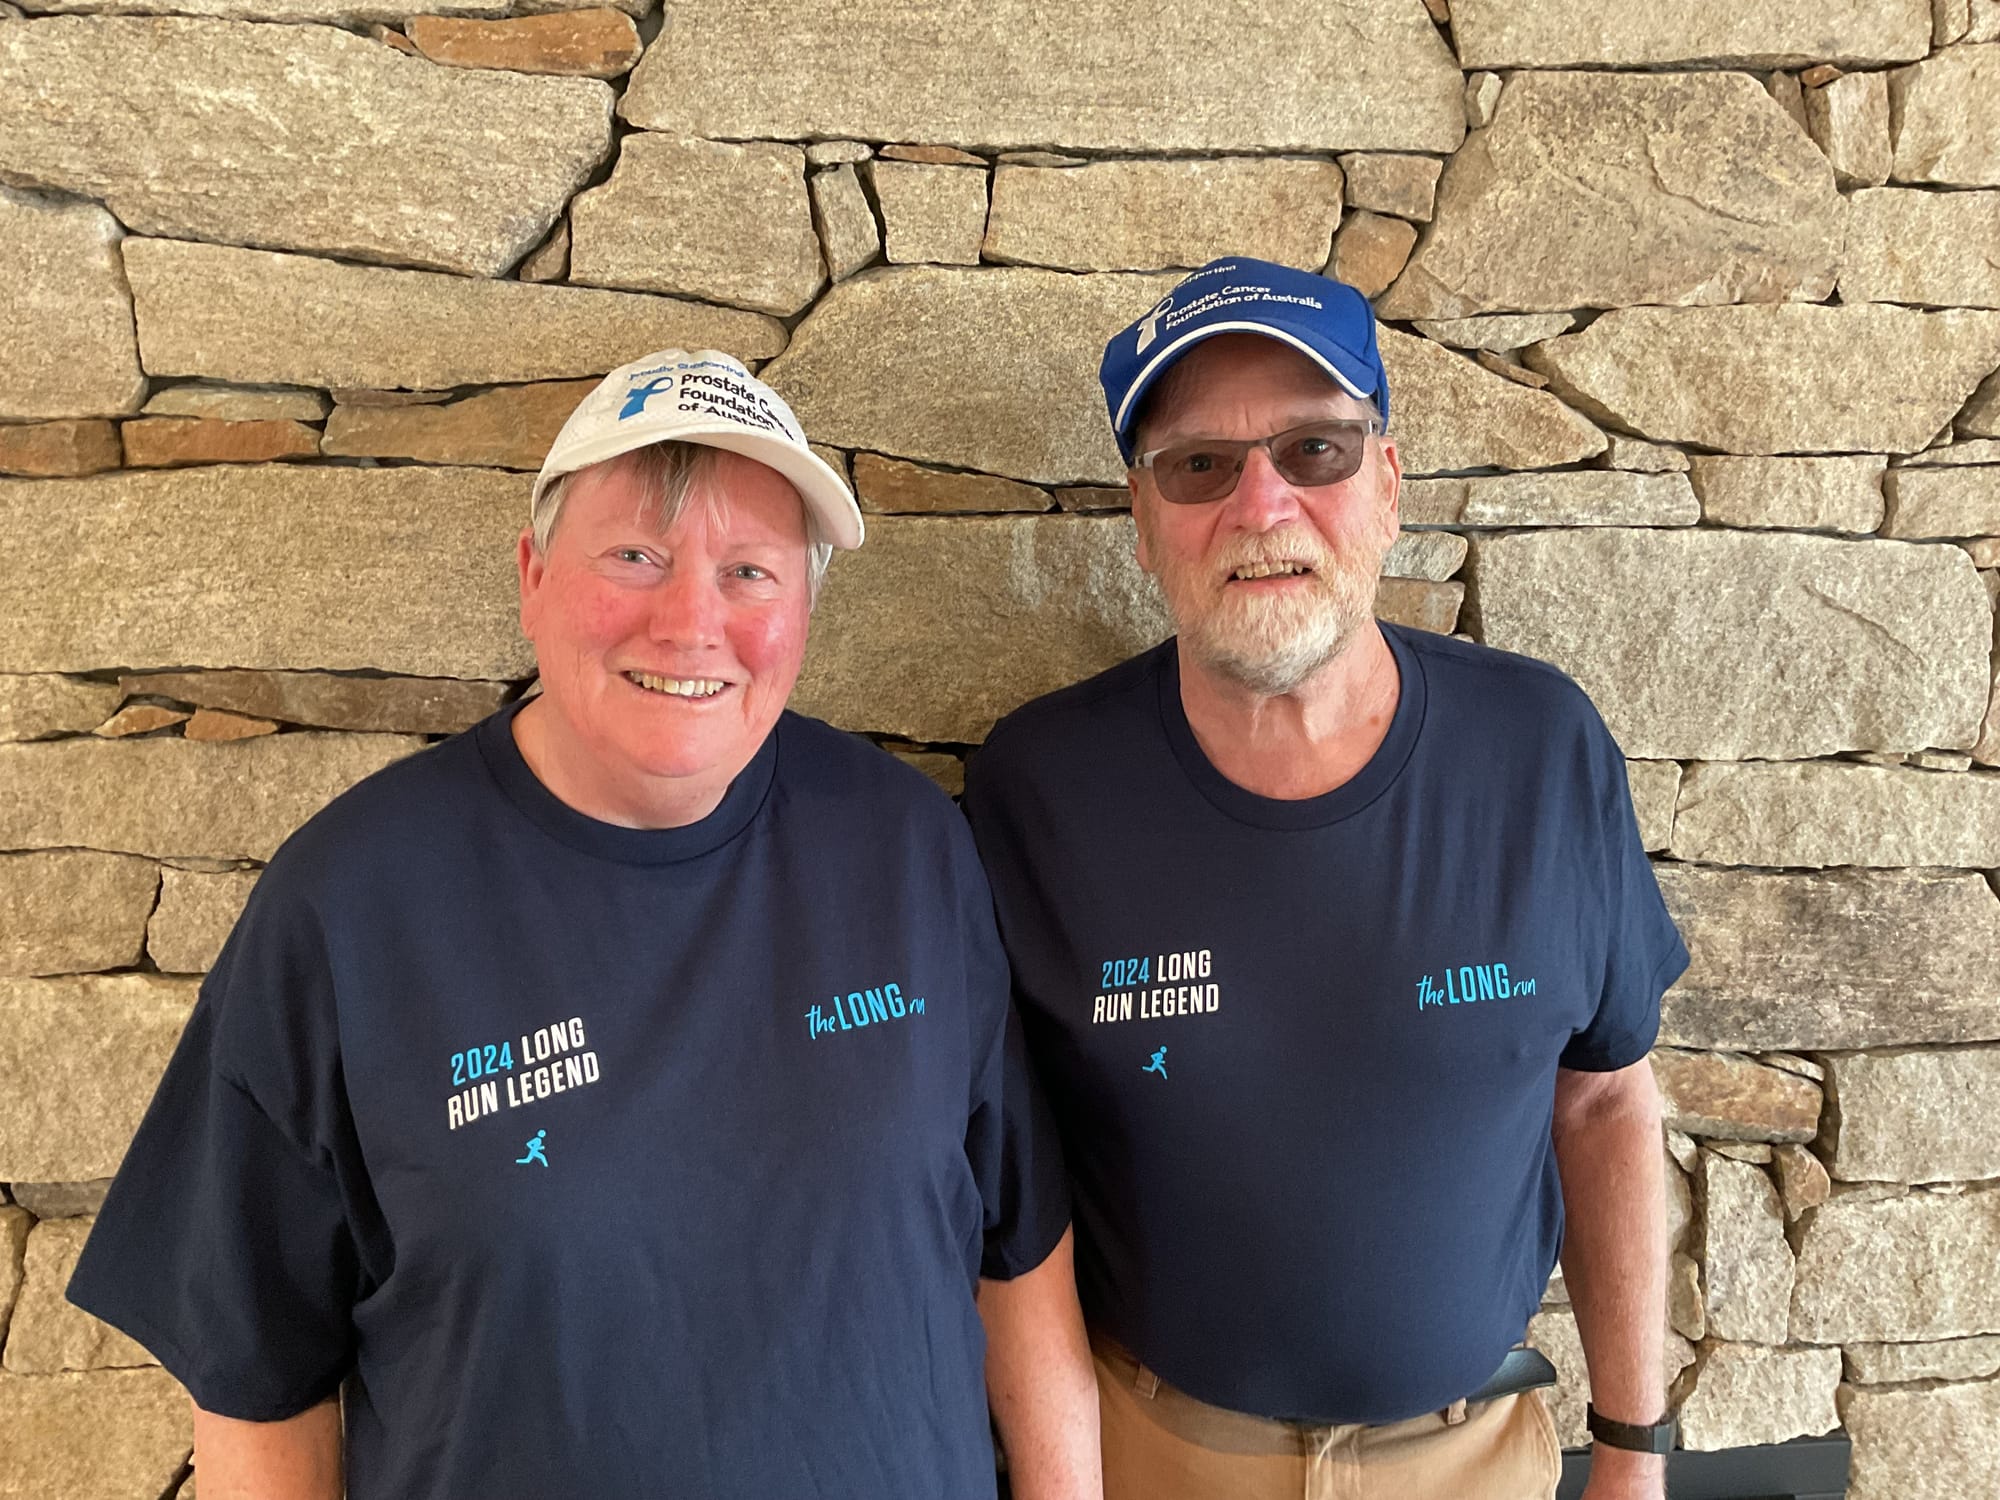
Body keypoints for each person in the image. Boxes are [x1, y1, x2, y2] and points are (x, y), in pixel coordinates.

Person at [69, 350, 1099, 1500]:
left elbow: (1021, 1260)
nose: (690, 622)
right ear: (531, 576)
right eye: (635, 556)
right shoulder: (348, 905)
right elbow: (257, 1392)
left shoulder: (908, 845)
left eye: (750, 570)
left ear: (805, 607)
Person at [962, 259, 1688, 1500]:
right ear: (1141, 522)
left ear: (1388, 484)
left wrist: (1632, 1447)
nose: (1260, 503)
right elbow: (1006, 1193)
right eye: (1198, 465)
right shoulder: (1038, 789)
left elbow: (1604, 1105)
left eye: (1314, 450)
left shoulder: (1541, 750)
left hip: (1472, 1462)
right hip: (1154, 1456)